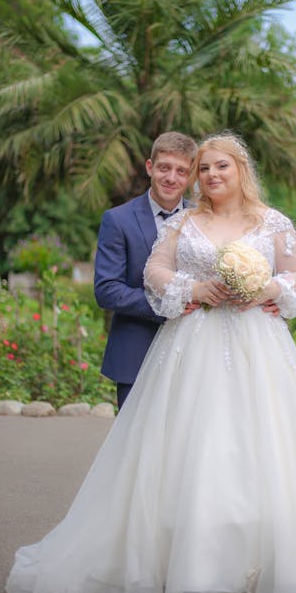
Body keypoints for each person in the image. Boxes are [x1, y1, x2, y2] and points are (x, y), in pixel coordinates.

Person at [6, 132, 296, 593]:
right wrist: (193, 288)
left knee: (264, 451)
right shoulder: (186, 221)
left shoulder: (273, 222)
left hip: (260, 348)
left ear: (240, 169)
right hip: (193, 345)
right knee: (192, 452)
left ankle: (269, 572)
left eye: (219, 166)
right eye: (203, 168)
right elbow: (155, 269)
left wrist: (271, 287)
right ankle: (188, 571)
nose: (210, 176)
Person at [94, 131, 197, 409]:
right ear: (150, 167)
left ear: (190, 177)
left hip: (196, 356)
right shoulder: (117, 220)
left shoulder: (204, 219)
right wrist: (166, 306)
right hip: (136, 354)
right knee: (135, 448)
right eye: (164, 167)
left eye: (181, 171)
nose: (171, 178)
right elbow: (107, 290)